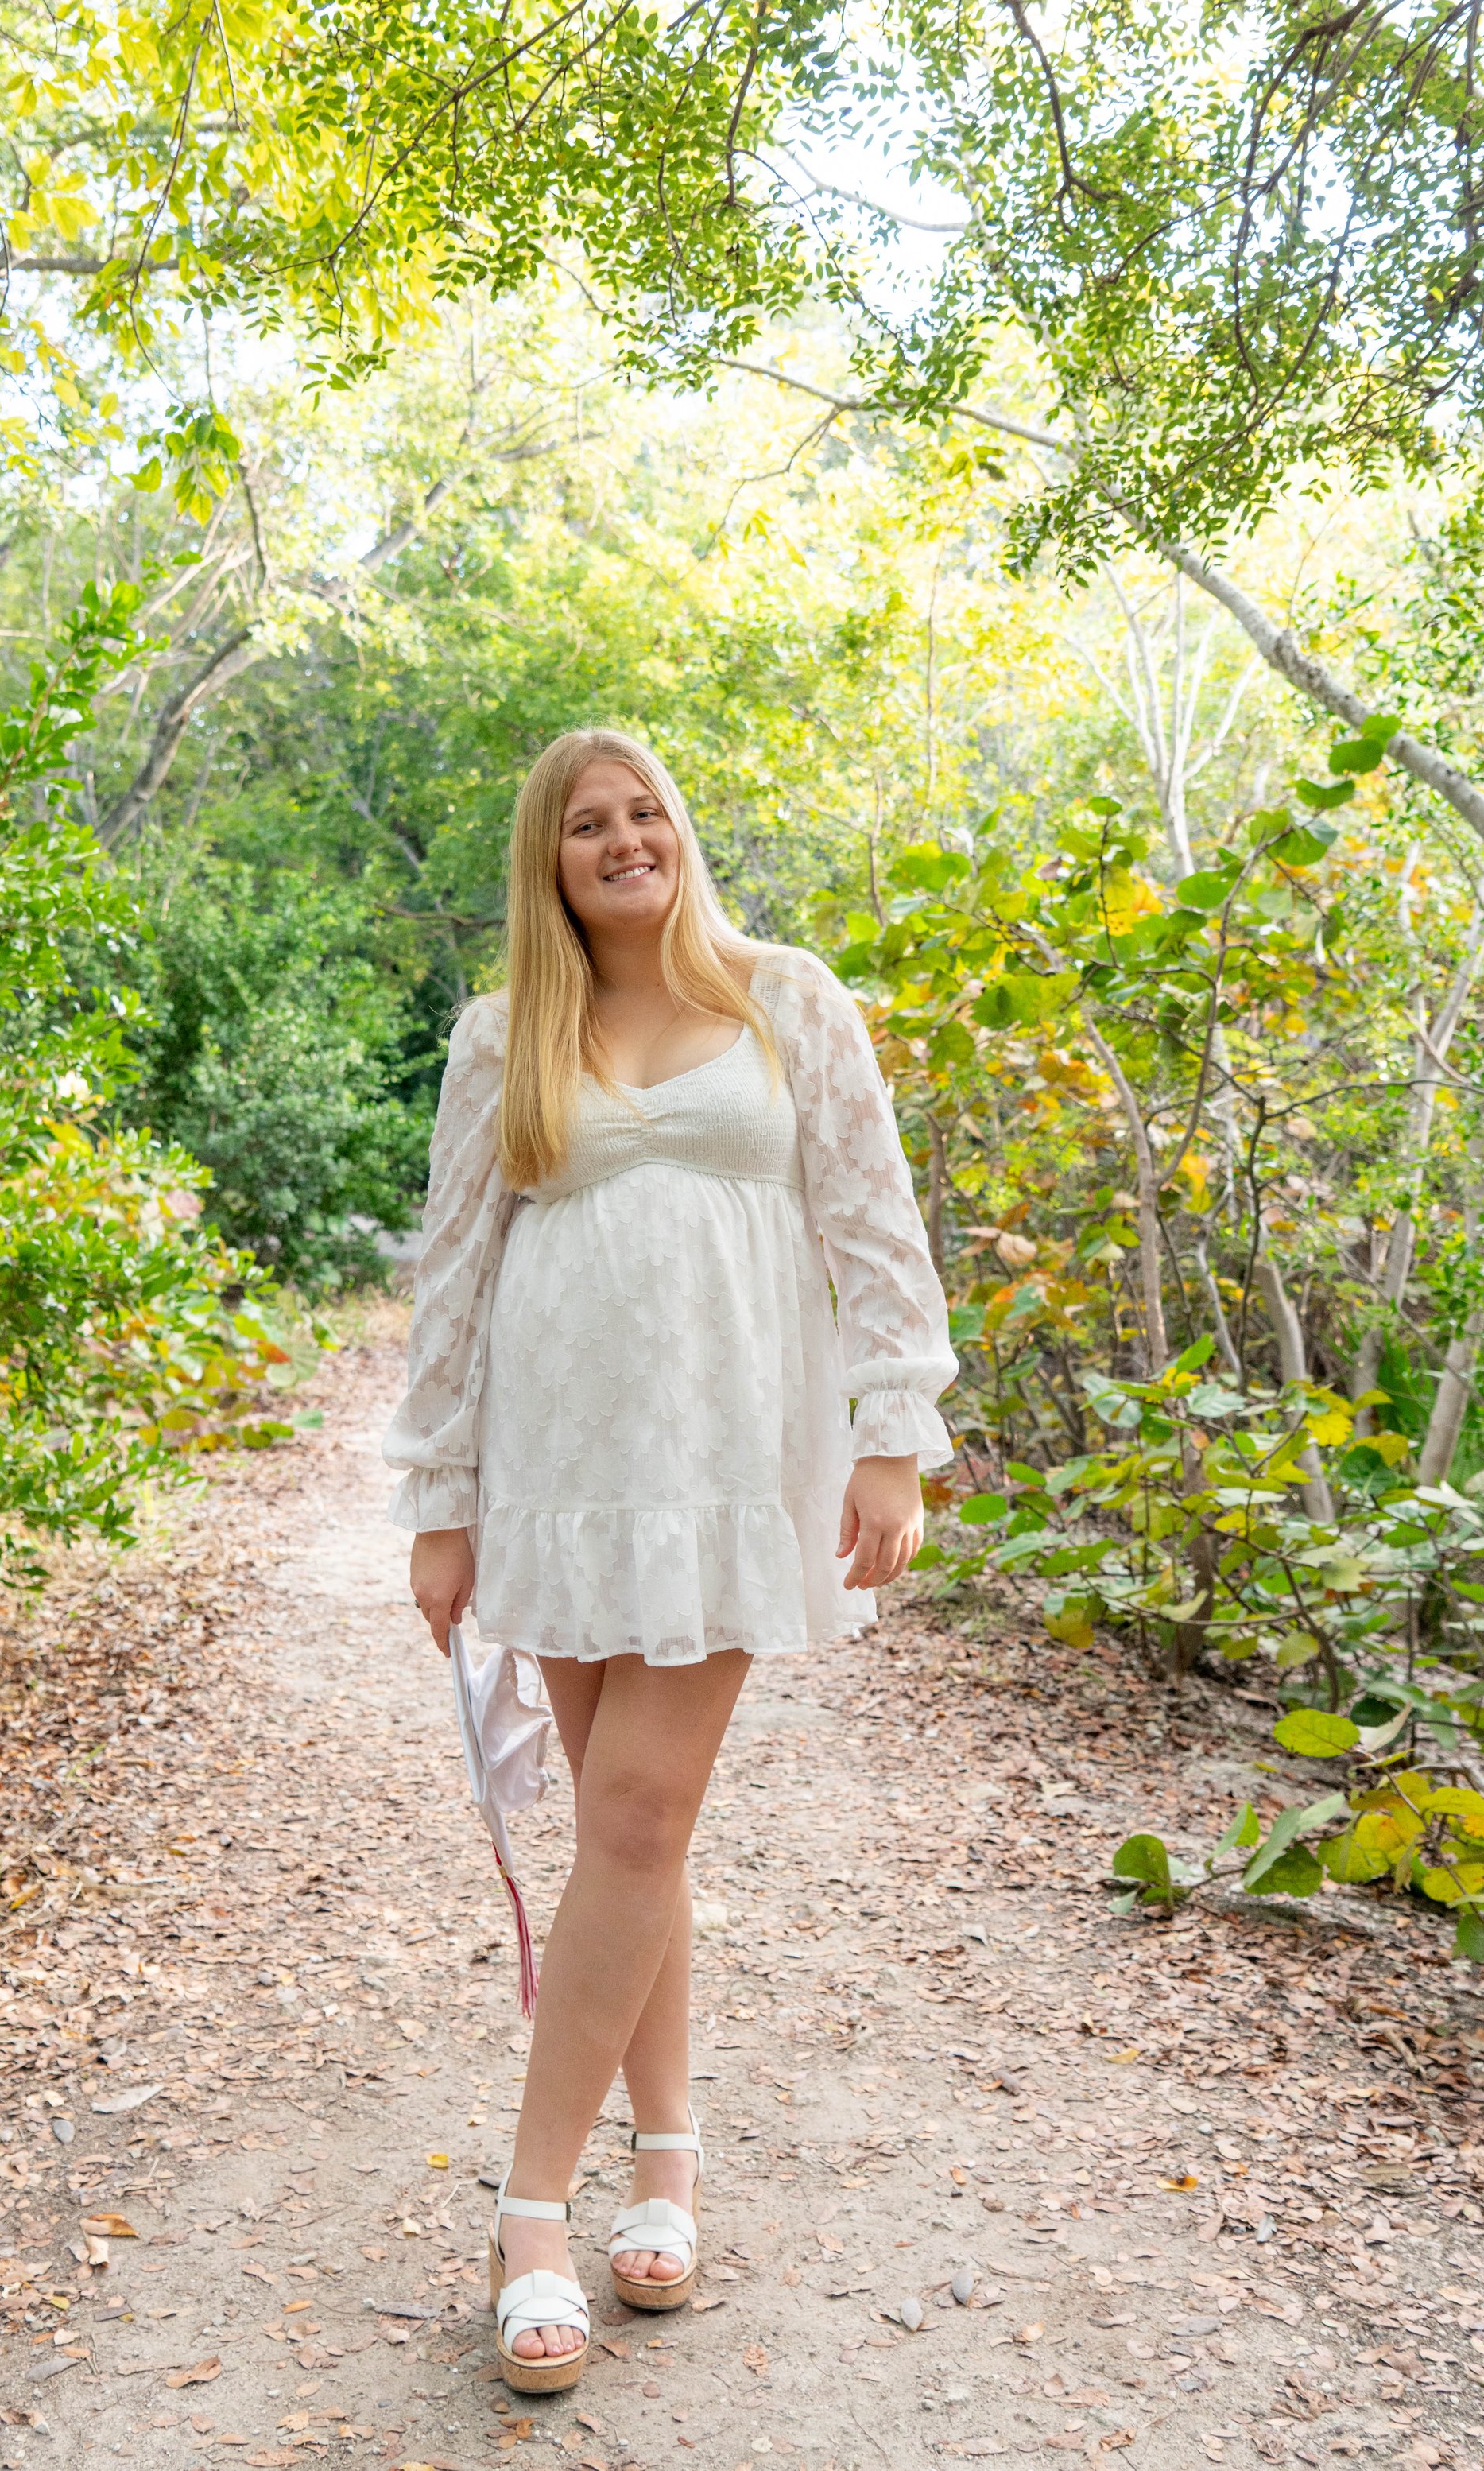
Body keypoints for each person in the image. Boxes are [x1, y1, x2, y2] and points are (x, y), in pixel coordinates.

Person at [383, 727, 955, 2395]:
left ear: (680, 832)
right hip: (561, 1474)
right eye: (588, 823)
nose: (624, 839)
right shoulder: (504, 1037)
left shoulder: (789, 1000)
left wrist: (892, 1429)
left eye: (646, 813)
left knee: (635, 1819)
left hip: (724, 1469)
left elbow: (871, 1217)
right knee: (624, 1841)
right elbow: (453, 1274)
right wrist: (439, 1501)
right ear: (549, 862)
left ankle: (529, 2215)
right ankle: (669, 2162)